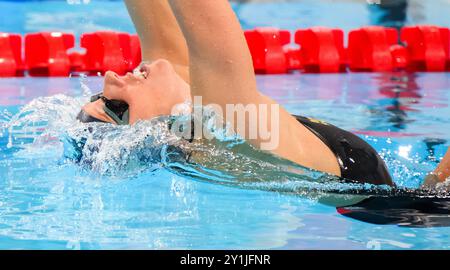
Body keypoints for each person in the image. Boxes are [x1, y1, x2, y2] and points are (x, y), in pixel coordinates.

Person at [77, 0, 450, 189]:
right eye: (114, 106)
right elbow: (202, 12)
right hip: (380, 197)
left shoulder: (185, 108)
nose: (111, 78)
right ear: (146, 131)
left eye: (100, 91)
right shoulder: (225, 129)